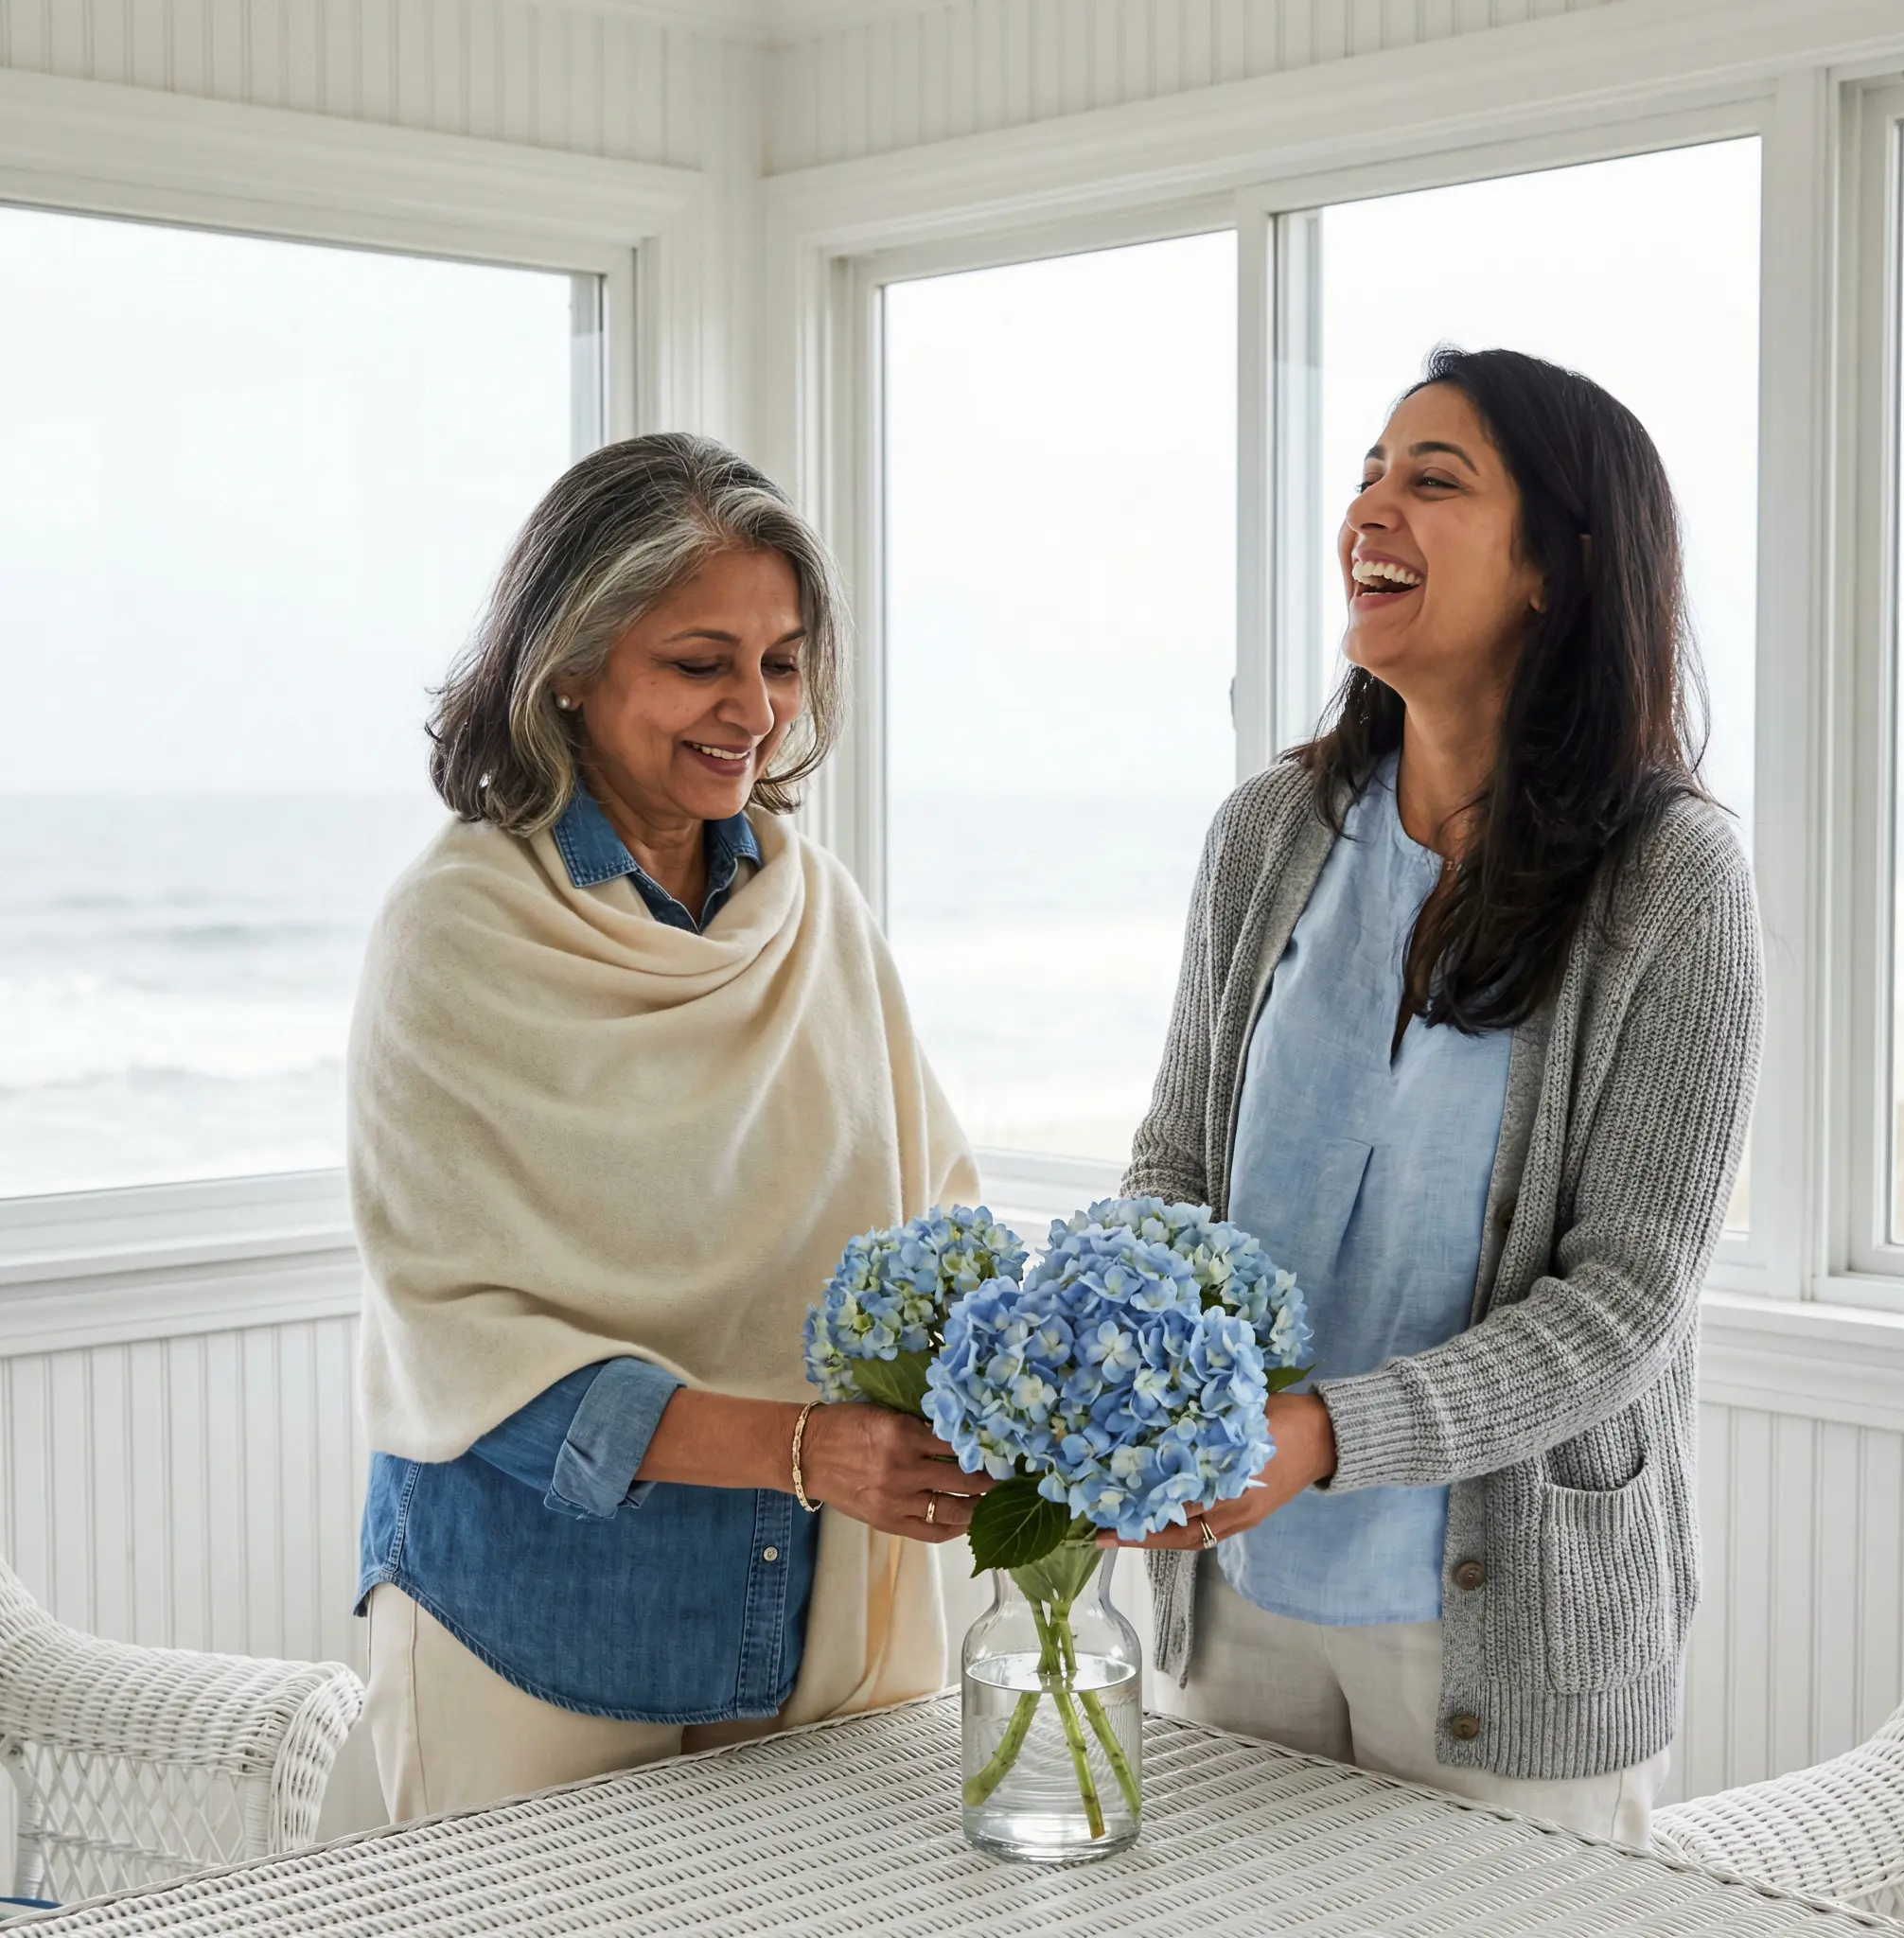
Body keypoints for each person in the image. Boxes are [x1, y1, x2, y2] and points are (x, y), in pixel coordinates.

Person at [1117, 346, 1761, 1848]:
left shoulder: (1673, 883)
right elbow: (1175, 1158)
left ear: (1556, 567)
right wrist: (1117, 1358)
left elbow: (1627, 1300)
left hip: (1505, 1652)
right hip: (1242, 1601)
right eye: (1367, 472)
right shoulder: (1268, 833)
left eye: (1434, 478)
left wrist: (1326, 1434)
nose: (1370, 508)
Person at [350, 432, 985, 1821]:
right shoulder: (455, 930)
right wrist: (805, 1448)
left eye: (782, 660)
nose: (752, 708)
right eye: (701, 662)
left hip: (813, 1605)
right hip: (541, 1620)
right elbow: (465, 1342)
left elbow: (938, 1223)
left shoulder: (817, 910)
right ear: (568, 667)